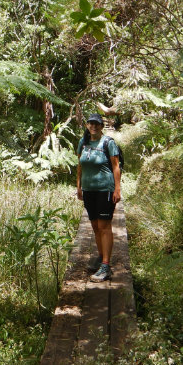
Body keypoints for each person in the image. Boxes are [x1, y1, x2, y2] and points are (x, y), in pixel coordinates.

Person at [76, 113, 121, 282]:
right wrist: (79, 187)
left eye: (97, 124)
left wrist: (117, 189)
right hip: (88, 190)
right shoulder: (83, 142)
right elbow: (80, 166)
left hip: (105, 189)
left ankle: (106, 266)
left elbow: (116, 167)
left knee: (104, 226)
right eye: (91, 123)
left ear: (102, 126)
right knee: (95, 226)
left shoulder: (108, 143)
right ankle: (102, 257)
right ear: (87, 125)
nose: (93, 126)